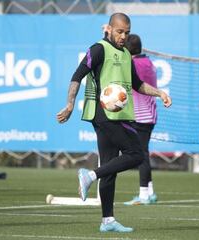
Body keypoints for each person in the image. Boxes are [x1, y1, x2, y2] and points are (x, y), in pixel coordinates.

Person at [57, 13, 171, 233]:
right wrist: (70, 104)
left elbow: (137, 84)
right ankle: (90, 175)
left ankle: (107, 220)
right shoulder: (98, 49)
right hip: (103, 114)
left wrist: (159, 93)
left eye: (126, 32)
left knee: (111, 167)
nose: (123, 36)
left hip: (118, 116)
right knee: (137, 154)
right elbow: (77, 74)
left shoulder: (127, 54)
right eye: (120, 31)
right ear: (109, 29)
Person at [122, 34, 158, 206]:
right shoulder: (148, 62)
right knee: (143, 152)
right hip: (149, 114)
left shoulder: (133, 64)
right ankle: (149, 191)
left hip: (140, 115)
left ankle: (144, 193)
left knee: (141, 154)